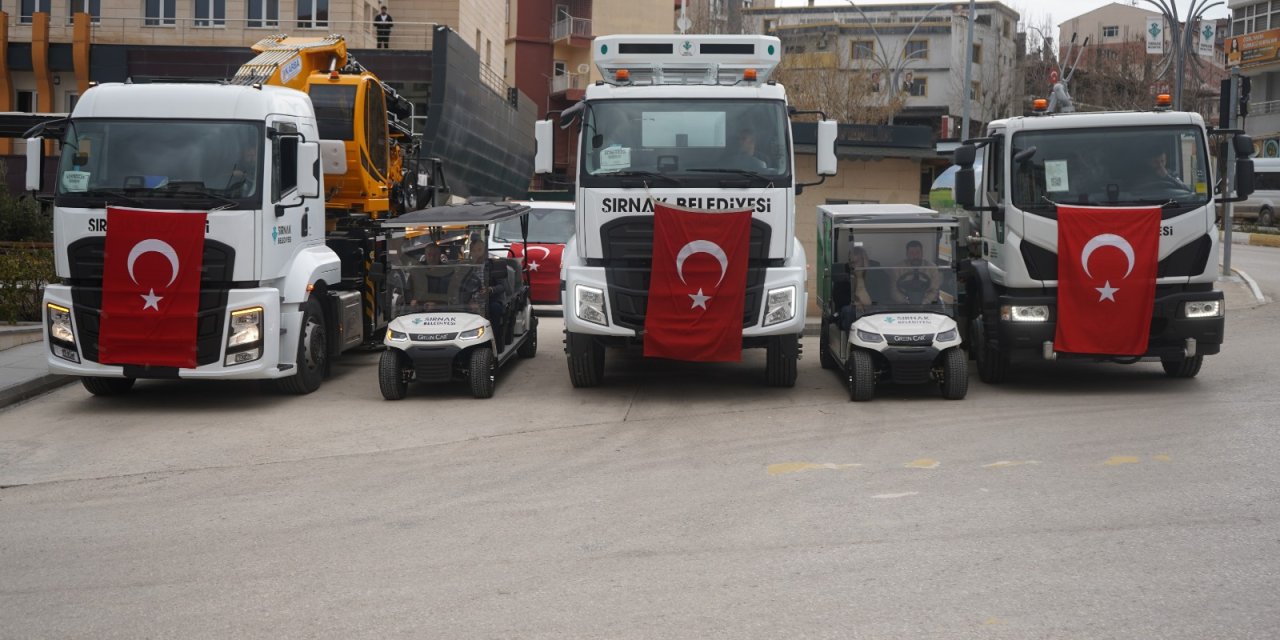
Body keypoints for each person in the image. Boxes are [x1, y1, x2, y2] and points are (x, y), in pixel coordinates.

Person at [890, 240, 941, 304]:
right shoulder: (897, 268)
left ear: (922, 253)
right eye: (911, 253)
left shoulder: (932, 268)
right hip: (904, 305)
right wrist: (906, 302)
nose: (915, 256)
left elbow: (935, 290)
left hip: (927, 305)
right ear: (907, 254)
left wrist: (923, 302)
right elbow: (894, 292)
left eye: (918, 253)